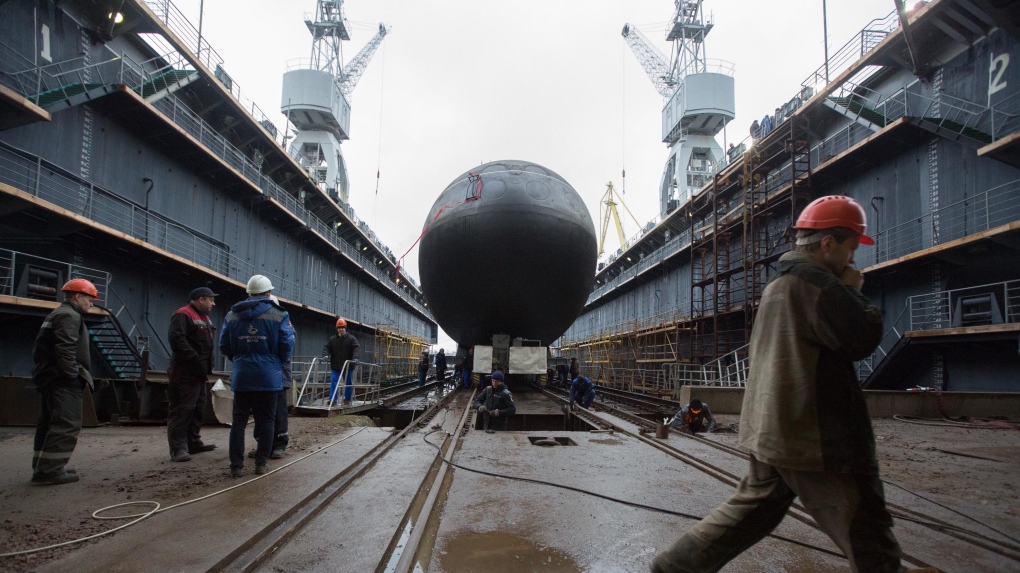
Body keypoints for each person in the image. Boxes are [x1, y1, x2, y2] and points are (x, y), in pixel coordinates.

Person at [651, 196, 907, 573]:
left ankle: (675, 567)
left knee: (751, 511)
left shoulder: (779, 283)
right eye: (850, 249)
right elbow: (861, 336)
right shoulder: (818, 284)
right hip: (812, 435)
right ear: (827, 244)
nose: (853, 260)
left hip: (771, 427)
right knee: (867, 530)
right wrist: (852, 288)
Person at [220, 275, 294, 478]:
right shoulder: (279, 315)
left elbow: (224, 345)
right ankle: (261, 464)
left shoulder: (232, 315)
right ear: (268, 293)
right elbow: (286, 345)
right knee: (268, 420)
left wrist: (240, 359)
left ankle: (236, 467)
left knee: (238, 422)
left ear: (249, 293)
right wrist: (274, 362)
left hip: (242, 375)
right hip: (269, 377)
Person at [30, 279, 98, 485]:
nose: (92, 304)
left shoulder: (59, 313)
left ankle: (43, 465)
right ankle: (50, 471)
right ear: (77, 297)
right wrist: (72, 375)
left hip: (50, 377)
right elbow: (65, 348)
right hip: (61, 379)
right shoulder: (69, 315)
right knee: (66, 424)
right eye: (89, 299)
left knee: (48, 423)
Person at [166, 286, 218, 462]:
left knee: (198, 408)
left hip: (198, 373)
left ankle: (193, 442)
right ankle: (178, 449)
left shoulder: (204, 317)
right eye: (211, 300)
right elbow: (177, 339)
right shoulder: (183, 314)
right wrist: (195, 359)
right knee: (183, 409)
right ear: (201, 299)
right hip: (185, 373)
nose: (213, 303)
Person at [249, 294, 291, 460]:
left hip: (279, 375)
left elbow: (285, 348)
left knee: (279, 411)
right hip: (263, 375)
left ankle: (279, 444)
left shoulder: (284, 323)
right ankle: (263, 445)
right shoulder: (261, 323)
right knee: (261, 412)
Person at [323, 317, 360, 404]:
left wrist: (356, 357)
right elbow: (326, 348)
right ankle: (333, 400)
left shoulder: (351, 339)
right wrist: (325, 355)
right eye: (339, 328)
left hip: (348, 366)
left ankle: (347, 399)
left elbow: (356, 348)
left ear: (345, 328)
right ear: (337, 329)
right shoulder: (332, 339)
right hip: (336, 366)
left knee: (348, 382)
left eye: (342, 328)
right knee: (334, 381)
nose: (341, 329)